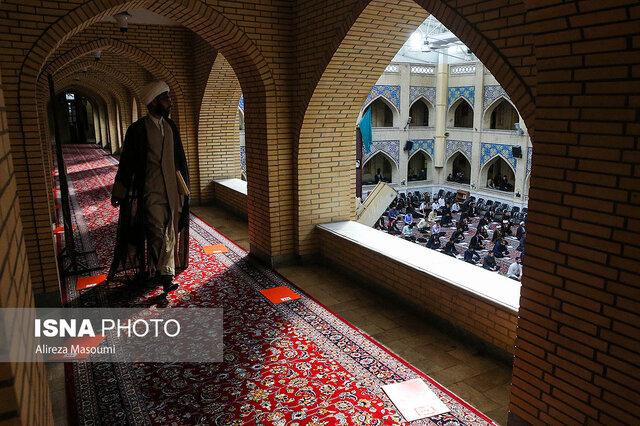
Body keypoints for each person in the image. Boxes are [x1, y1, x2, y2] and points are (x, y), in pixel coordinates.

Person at [109, 81, 190, 293]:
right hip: (150, 190)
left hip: (172, 191)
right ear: (153, 102)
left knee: (171, 231)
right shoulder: (137, 130)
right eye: (165, 98)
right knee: (157, 231)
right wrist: (119, 191)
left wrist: (185, 189)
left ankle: (162, 270)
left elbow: (180, 160)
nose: (169, 102)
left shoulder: (170, 127)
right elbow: (126, 163)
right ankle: (166, 276)